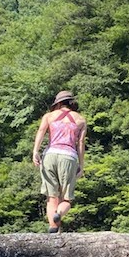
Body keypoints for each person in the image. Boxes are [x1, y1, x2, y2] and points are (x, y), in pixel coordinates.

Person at [32, 90, 87, 233]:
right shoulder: (81, 119)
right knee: (66, 199)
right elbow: (80, 143)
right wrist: (81, 165)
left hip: (50, 155)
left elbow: (41, 132)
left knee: (52, 197)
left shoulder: (49, 116)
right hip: (69, 157)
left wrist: (35, 151)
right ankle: (59, 214)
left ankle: (53, 229)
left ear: (58, 103)